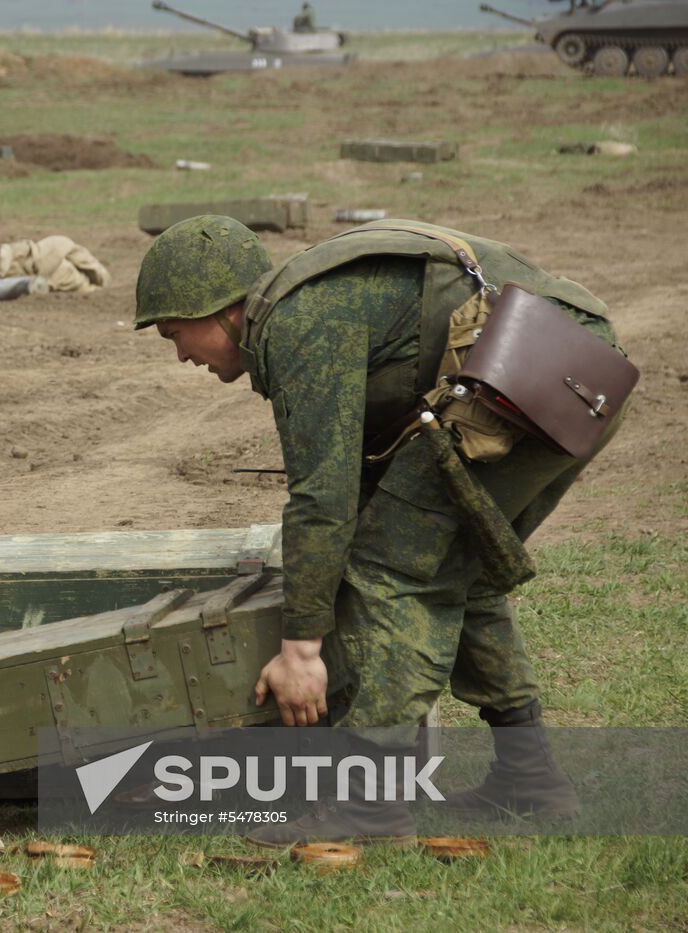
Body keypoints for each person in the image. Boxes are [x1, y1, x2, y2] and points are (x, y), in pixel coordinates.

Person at [133, 216, 629, 845]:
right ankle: (529, 779)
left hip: (534, 373)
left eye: (177, 334)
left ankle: (370, 809)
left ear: (223, 311)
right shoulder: (309, 301)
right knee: (457, 568)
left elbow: (322, 500)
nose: (181, 355)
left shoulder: (299, 321)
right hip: (574, 368)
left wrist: (301, 650)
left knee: (392, 572)